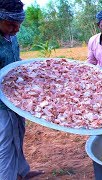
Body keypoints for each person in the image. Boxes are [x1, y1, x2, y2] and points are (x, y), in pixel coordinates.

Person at [0, 0, 45, 179]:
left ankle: (21, 172)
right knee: (5, 143)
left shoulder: (11, 36)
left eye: (18, 25)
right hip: (2, 104)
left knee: (19, 133)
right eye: (11, 25)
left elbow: (15, 60)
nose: (16, 29)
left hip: (17, 99)